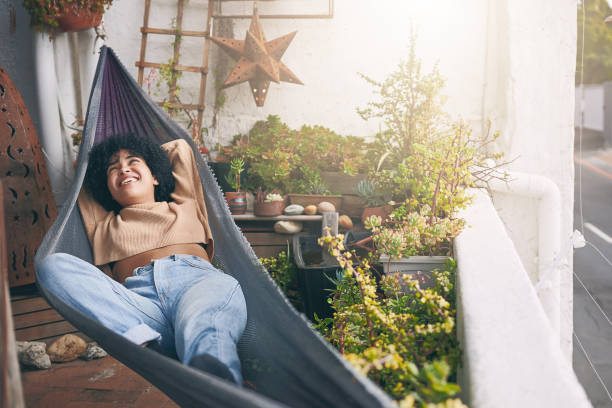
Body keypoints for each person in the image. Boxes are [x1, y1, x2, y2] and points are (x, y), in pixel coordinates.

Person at [36, 133, 247, 385]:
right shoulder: (102, 225)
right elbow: (82, 173)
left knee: (203, 324)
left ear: (156, 176)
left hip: (197, 284)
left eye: (133, 161)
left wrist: (141, 154)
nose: (123, 168)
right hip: (141, 308)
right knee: (51, 265)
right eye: (113, 168)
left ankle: (216, 380)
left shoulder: (184, 204)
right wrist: (119, 162)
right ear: (106, 189)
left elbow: (179, 149)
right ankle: (143, 343)